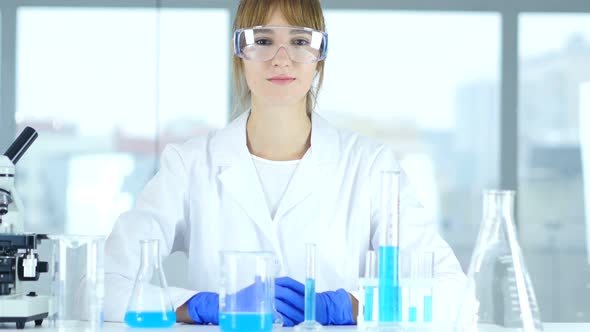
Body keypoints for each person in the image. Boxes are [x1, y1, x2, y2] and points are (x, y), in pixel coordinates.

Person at [104, 0, 466, 326]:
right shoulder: (190, 165)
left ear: (320, 54)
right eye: (262, 41)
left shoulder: (368, 165)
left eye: (299, 41)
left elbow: (453, 291)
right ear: (238, 51)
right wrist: (196, 306)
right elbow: (102, 285)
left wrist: (350, 306)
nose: (281, 58)